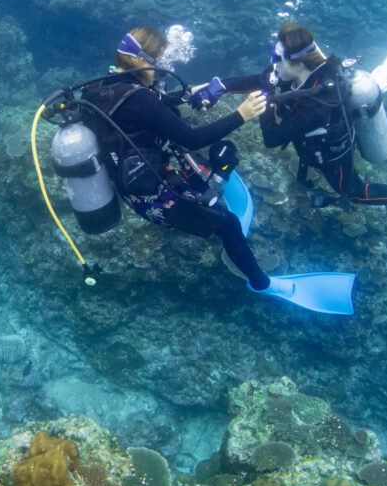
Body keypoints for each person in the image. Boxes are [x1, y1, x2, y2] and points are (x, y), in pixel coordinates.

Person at [82, 26, 292, 295]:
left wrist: (194, 93)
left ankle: (204, 194)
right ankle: (261, 284)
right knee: (228, 224)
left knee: (215, 158)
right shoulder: (140, 98)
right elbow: (191, 139)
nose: (162, 68)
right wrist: (242, 114)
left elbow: (153, 106)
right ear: (142, 60)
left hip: (130, 181)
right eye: (160, 61)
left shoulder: (103, 86)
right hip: (150, 198)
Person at [195, 22, 387, 207]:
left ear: (298, 63)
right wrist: (219, 87)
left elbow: (272, 138)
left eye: (278, 59)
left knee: (353, 192)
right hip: (318, 126)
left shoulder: (316, 106)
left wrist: (265, 102)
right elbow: (264, 77)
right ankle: (382, 79)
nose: (273, 64)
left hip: (332, 152)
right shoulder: (312, 67)